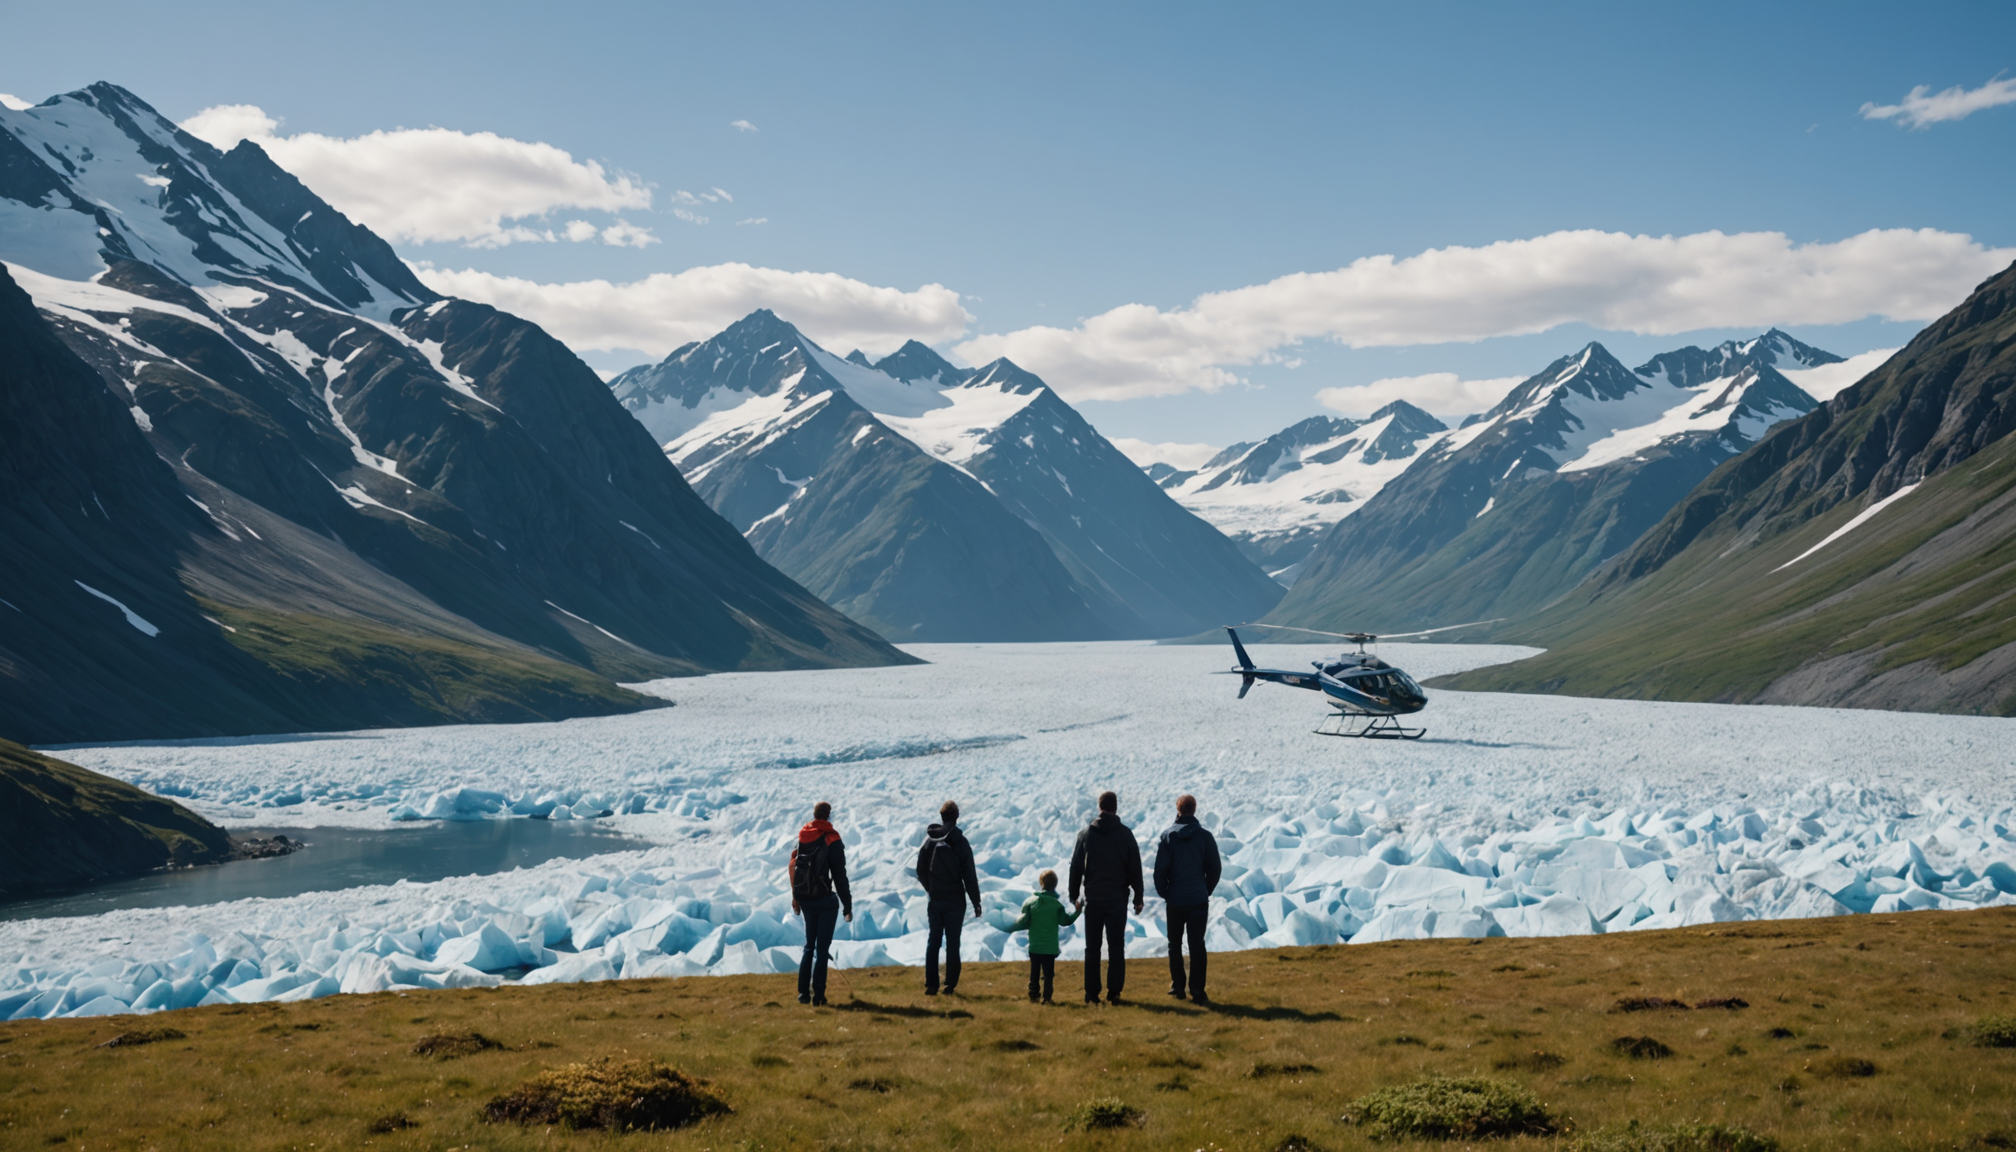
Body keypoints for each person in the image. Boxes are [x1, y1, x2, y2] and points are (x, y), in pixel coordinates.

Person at [1069, 790, 1143, 1005]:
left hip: (1093, 899)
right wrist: (1138, 897)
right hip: (1117, 900)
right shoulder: (1125, 835)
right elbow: (1135, 868)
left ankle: (1092, 994)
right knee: (1116, 946)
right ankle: (1114, 992)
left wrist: (1074, 895)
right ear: (1115, 807)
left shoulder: (1085, 834)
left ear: (1100, 807)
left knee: (1092, 948)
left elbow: (1075, 868)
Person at [1153, 793, 1222, 1004]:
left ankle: (1178, 986)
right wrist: (1205, 889)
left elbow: (1159, 871)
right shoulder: (1205, 837)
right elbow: (1215, 868)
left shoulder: (1168, 837)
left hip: (1175, 900)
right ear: (1194, 809)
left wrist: (1166, 892)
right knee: (1197, 944)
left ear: (1178, 810)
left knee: (1174, 943)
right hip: (1198, 899)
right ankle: (1198, 991)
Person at [916, 799, 983, 995]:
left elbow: (920, 870)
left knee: (933, 941)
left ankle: (931, 984)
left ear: (942, 816)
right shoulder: (960, 842)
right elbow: (969, 875)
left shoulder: (930, 841)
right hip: (955, 901)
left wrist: (931, 888)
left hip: (936, 899)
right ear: (956, 817)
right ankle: (950, 984)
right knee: (953, 943)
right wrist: (976, 902)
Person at [789, 800, 852, 1006]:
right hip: (825, 900)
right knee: (822, 948)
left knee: (809, 946)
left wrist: (796, 897)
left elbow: (793, 866)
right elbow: (839, 876)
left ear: (814, 815)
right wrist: (847, 905)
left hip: (806, 899)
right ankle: (819, 995)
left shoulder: (803, 836)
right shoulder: (831, 838)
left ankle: (802, 994)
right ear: (828, 816)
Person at [1011, 869, 1081, 1003]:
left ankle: (1033, 994)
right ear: (1055, 885)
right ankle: (1047, 998)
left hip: (1035, 946)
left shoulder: (1030, 903)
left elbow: (1024, 921)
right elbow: (1065, 921)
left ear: (1041, 883)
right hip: (1050, 948)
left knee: (1034, 972)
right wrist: (1077, 912)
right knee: (1048, 975)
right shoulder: (1057, 905)